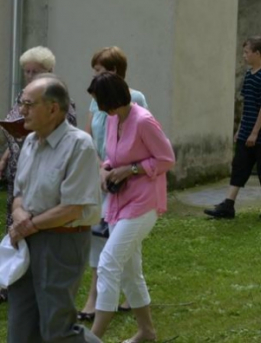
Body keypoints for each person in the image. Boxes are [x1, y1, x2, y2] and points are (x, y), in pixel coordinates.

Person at [7, 75, 101, 343]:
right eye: (21, 102)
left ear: (52, 109)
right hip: (27, 240)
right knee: (21, 329)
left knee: (57, 330)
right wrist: (19, 215)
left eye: (28, 103)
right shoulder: (30, 142)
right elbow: (19, 194)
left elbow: (72, 208)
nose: (21, 110)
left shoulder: (79, 145)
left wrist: (30, 224)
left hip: (62, 241)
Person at [88, 72, 175, 342]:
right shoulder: (114, 119)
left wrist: (132, 170)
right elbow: (111, 158)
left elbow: (166, 159)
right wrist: (105, 171)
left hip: (143, 203)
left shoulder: (144, 121)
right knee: (129, 271)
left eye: (101, 103)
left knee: (108, 262)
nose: (99, 110)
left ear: (113, 101)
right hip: (118, 202)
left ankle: (94, 337)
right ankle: (147, 331)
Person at [1, 47, 76, 304]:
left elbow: (64, 135)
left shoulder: (58, 101)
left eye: (36, 71)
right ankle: (11, 278)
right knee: (14, 222)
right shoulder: (24, 99)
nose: (30, 75)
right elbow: (15, 133)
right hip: (19, 170)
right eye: (27, 71)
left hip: (45, 174)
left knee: (32, 227)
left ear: (49, 72)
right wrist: (5, 158)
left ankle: (30, 278)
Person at [80, 46, 149, 321]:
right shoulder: (95, 100)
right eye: (94, 71)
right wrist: (98, 167)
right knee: (98, 233)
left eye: (100, 71)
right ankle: (94, 296)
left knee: (124, 239)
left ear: (115, 72)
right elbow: (89, 135)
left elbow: (143, 141)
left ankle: (126, 295)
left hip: (126, 181)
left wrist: (124, 171)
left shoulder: (136, 99)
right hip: (99, 175)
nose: (95, 77)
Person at [205, 36, 261, 219]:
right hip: (247, 131)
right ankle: (228, 205)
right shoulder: (249, 75)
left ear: (257, 53)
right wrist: (241, 129)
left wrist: (255, 132)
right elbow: (247, 104)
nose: (244, 55)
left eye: (247, 52)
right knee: (239, 165)